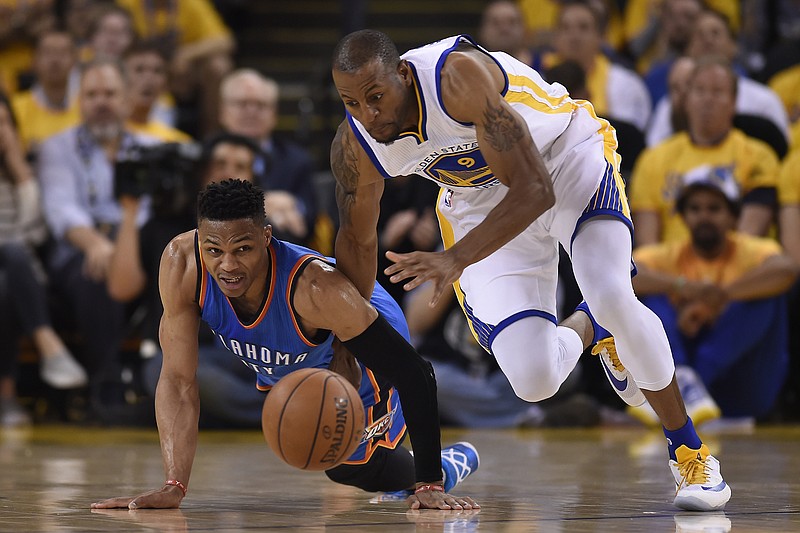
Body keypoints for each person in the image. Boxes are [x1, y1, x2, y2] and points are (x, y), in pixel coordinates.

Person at [329, 29, 730, 511]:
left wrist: (455, 259)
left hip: (563, 159)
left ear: (402, 73)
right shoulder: (356, 146)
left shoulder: (453, 76)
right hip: (478, 201)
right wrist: (348, 339)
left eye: (375, 97)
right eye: (352, 103)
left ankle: (690, 453)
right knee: (534, 379)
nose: (368, 115)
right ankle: (592, 328)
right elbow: (356, 241)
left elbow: (534, 189)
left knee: (612, 292)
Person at [91, 179, 480, 510]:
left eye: (242, 249)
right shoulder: (182, 264)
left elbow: (416, 372)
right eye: (214, 250)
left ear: (265, 237)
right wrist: (173, 486)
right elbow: (177, 381)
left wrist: (428, 484)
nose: (227, 265)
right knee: (332, 455)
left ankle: (442, 468)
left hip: (357, 325)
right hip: (299, 350)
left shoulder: (314, 289)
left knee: (343, 463)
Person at [107, 132, 265, 428]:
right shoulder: (165, 227)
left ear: (254, 178)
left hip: (252, 351)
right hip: (194, 354)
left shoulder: (267, 232)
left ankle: (278, 405)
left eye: (240, 166)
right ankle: (279, 412)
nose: (228, 171)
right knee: (162, 370)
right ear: (203, 172)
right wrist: (129, 213)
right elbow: (121, 288)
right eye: (219, 163)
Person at [36, 59, 158, 415]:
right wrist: (96, 244)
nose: (101, 101)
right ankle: (104, 385)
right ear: (79, 101)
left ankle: (158, 374)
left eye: (110, 93)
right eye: (92, 94)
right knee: (94, 272)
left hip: (136, 240)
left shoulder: (148, 147)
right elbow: (61, 208)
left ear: (125, 99)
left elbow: (152, 209)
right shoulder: (56, 147)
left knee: (169, 257)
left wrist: (124, 244)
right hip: (78, 248)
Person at [630, 174, 797, 425]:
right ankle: (682, 378)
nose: (704, 216)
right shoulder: (671, 254)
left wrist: (720, 298)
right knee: (651, 295)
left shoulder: (751, 249)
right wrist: (685, 288)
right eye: (695, 209)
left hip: (744, 390)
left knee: (766, 296)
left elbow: (786, 270)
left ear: (733, 216)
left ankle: (685, 384)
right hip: (687, 360)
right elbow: (624, 273)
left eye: (714, 208)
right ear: (683, 217)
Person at [0, 92, 87, 426]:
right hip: (17, 276)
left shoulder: (23, 180)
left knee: (8, 276)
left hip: (25, 283)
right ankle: (47, 346)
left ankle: (6, 396)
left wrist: (20, 172)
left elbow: (34, 234)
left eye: (5, 123)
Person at [630, 56, 781, 248]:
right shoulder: (653, 159)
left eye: (718, 92)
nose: (708, 100)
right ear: (687, 100)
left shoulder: (760, 157)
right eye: (699, 91)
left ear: (734, 103)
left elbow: (749, 239)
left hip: (737, 271)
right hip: (671, 271)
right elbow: (647, 248)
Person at [218, 69, 317, 246]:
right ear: (223, 111)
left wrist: (293, 205)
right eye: (242, 104)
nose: (251, 111)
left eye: (261, 105)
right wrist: (261, 206)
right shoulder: (206, 158)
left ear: (274, 114)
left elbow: (307, 221)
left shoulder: (296, 161)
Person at [10, 30, 80, 158]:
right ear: (34, 60)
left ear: (74, 60)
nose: (55, 60)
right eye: (48, 53)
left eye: (62, 53)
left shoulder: (89, 104)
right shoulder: (15, 107)